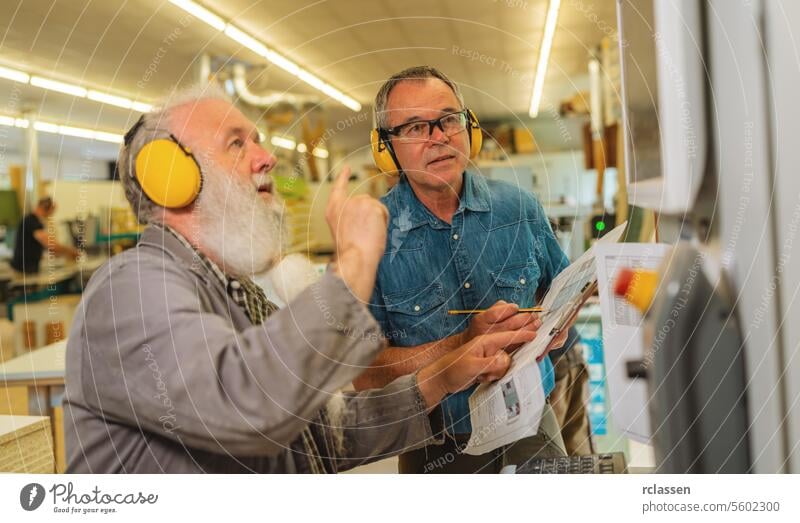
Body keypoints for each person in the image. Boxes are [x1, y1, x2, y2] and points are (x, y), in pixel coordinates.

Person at [63, 84, 534, 473]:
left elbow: (322, 432)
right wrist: (355, 258)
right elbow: (247, 405)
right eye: (236, 143)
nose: (266, 157)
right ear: (170, 178)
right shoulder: (131, 289)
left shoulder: (236, 294)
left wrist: (445, 377)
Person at [355, 66, 576, 473]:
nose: (439, 137)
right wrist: (463, 345)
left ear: (467, 127)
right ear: (386, 147)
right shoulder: (371, 237)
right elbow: (367, 374)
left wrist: (552, 324)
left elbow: (563, 293)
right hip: (436, 447)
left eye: (448, 120)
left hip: (532, 428)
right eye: (416, 127)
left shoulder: (520, 208)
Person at [10, 196, 79, 274]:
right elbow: (50, 244)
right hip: (23, 270)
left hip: (28, 268)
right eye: (52, 211)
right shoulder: (32, 221)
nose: (51, 214)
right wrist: (71, 251)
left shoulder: (32, 221)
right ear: (45, 208)